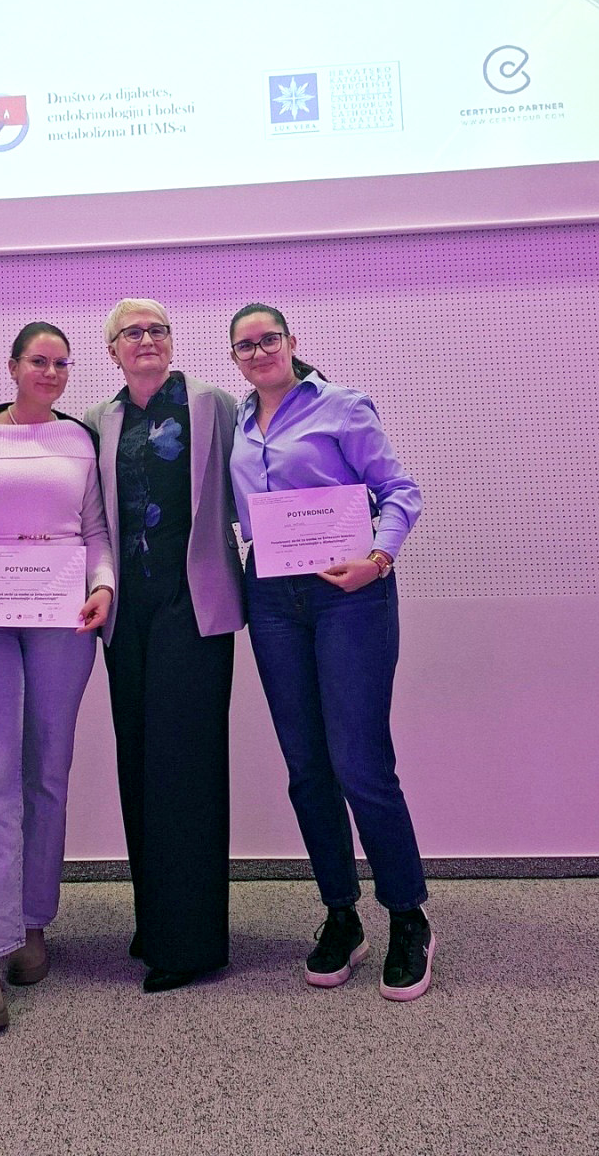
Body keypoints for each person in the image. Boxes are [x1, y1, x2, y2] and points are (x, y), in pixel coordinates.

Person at [227, 302, 433, 1002]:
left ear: (292, 342)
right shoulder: (235, 424)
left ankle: (407, 914)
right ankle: (341, 914)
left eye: (269, 340)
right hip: (270, 598)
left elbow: (399, 491)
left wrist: (378, 559)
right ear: (234, 358)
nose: (259, 352)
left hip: (349, 594)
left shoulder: (342, 406)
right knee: (307, 768)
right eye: (245, 346)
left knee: (360, 763)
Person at [0, 322, 114, 1033]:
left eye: (62, 363)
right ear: (12, 367)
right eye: (39, 360)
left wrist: (103, 585)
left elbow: (94, 530)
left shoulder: (80, 439)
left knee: (48, 771)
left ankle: (33, 920)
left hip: (63, 618)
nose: (51, 372)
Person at [85, 299, 244, 993]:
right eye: (132, 332)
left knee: (188, 766)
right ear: (113, 350)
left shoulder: (213, 405)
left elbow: (255, 483)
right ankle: (155, 920)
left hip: (193, 604)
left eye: (157, 329)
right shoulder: (98, 420)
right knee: (140, 763)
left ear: (172, 342)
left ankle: (191, 943)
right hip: (127, 612)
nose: (146, 339)